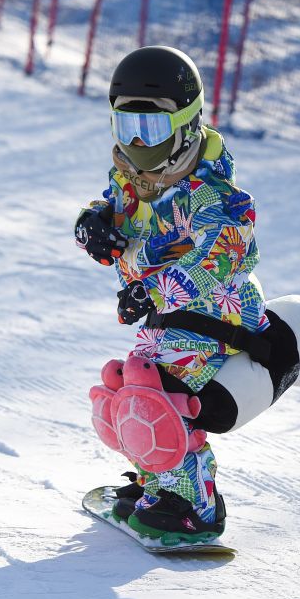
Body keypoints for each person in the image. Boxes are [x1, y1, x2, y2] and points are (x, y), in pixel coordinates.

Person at [75, 46, 267, 543]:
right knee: (121, 389)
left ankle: (194, 504)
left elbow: (218, 266)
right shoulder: (135, 181)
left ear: (187, 124)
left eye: (153, 129)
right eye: (126, 127)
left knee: (155, 391)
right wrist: (93, 224)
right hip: (170, 319)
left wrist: (149, 292)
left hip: (218, 318)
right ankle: (156, 485)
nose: (138, 141)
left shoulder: (217, 199)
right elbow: (117, 219)